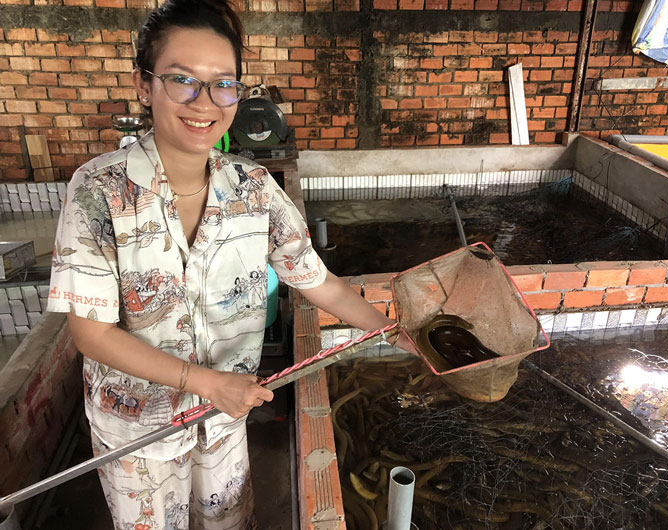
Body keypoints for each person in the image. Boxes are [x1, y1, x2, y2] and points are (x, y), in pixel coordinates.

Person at [47, 1, 414, 528]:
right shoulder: (99, 190)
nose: (204, 103)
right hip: (139, 433)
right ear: (144, 85)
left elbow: (323, 285)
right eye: (182, 80)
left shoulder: (254, 190)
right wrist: (208, 382)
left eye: (223, 84)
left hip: (221, 422)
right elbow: (92, 334)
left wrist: (398, 333)